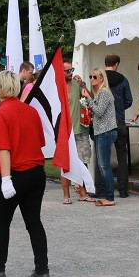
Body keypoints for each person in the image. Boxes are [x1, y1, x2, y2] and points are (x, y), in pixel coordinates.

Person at [0, 70, 50, 277]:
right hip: (36, 172)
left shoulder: (0, 114)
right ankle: (42, 270)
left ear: (0, 88)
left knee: (1, 223)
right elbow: (39, 142)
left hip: (14, 173)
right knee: (34, 222)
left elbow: (3, 149)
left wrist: (7, 179)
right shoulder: (31, 111)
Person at [100, 54, 132, 198]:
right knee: (121, 156)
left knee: (102, 157)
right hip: (119, 121)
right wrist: (119, 108)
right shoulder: (123, 79)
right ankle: (123, 189)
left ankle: (102, 188)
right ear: (117, 64)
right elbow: (129, 100)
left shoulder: (99, 79)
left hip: (103, 123)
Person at [60, 58, 91, 204]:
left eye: (71, 70)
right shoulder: (57, 86)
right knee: (65, 163)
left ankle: (83, 193)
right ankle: (66, 195)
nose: (70, 73)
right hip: (65, 131)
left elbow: (89, 97)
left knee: (83, 161)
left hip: (80, 128)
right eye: (67, 71)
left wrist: (83, 84)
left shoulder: (76, 83)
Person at [87, 67, 116, 206]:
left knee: (104, 166)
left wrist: (88, 99)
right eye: (90, 76)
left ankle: (109, 197)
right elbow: (100, 115)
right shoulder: (99, 93)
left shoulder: (104, 92)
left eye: (94, 77)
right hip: (101, 131)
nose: (92, 79)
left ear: (101, 79)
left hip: (106, 131)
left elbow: (98, 112)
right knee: (102, 165)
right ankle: (106, 194)